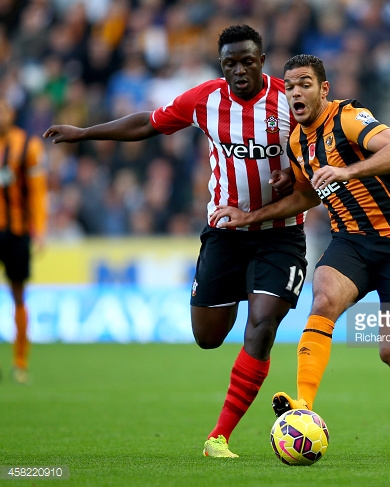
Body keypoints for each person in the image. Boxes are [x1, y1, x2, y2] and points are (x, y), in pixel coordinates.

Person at [44, 25, 308, 457]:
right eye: (230, 64)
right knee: (207, 337)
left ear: (262, 60)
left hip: (281, 234)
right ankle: (249, 287)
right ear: (221, 66)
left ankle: (218, 437)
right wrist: (86, 133)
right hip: (225, 233)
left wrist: (294, 174)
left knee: (261, 327)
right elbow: (147, 124)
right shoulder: (206, 99)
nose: (239, 70)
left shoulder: (289, 100)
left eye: (247, 61)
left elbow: (318, 149)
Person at [211, 54, 390, 441]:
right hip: (350, 243)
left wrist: (348, 170)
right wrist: (249, 216)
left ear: (324, 89)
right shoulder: (296, 141)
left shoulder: (349, 118)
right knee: (322, 299)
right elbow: (305, 196)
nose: (295, 92)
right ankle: (303, 406)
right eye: (289, 87)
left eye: (304, 84)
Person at [0, 98, 48, 385]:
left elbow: (38, 192)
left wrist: (39, 229)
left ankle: (20, 363)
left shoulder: (27, 145)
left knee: (18, 294)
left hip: (16, 232)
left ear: (12, 114)